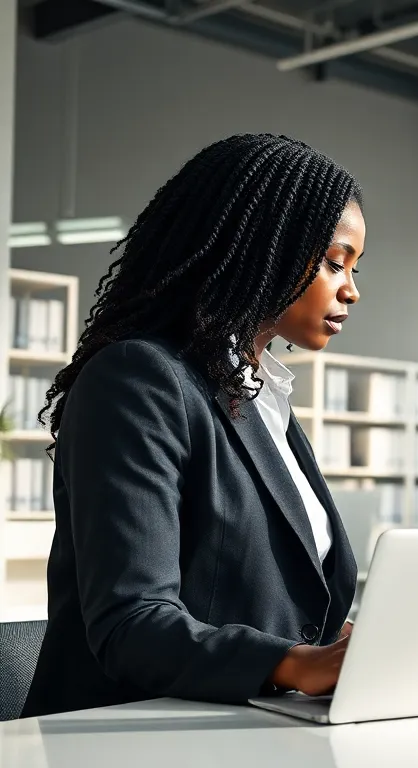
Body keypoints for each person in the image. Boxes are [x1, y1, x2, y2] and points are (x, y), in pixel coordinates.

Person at [21, 134, 367, 718]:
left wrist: (345, 645)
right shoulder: (137, 379)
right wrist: (296, 663)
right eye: (335, 263)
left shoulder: (262, 398)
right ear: (265, 248)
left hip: (255, 730)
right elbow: (133, 622)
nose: (352, 290)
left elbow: (275, 601)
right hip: (128, 739)